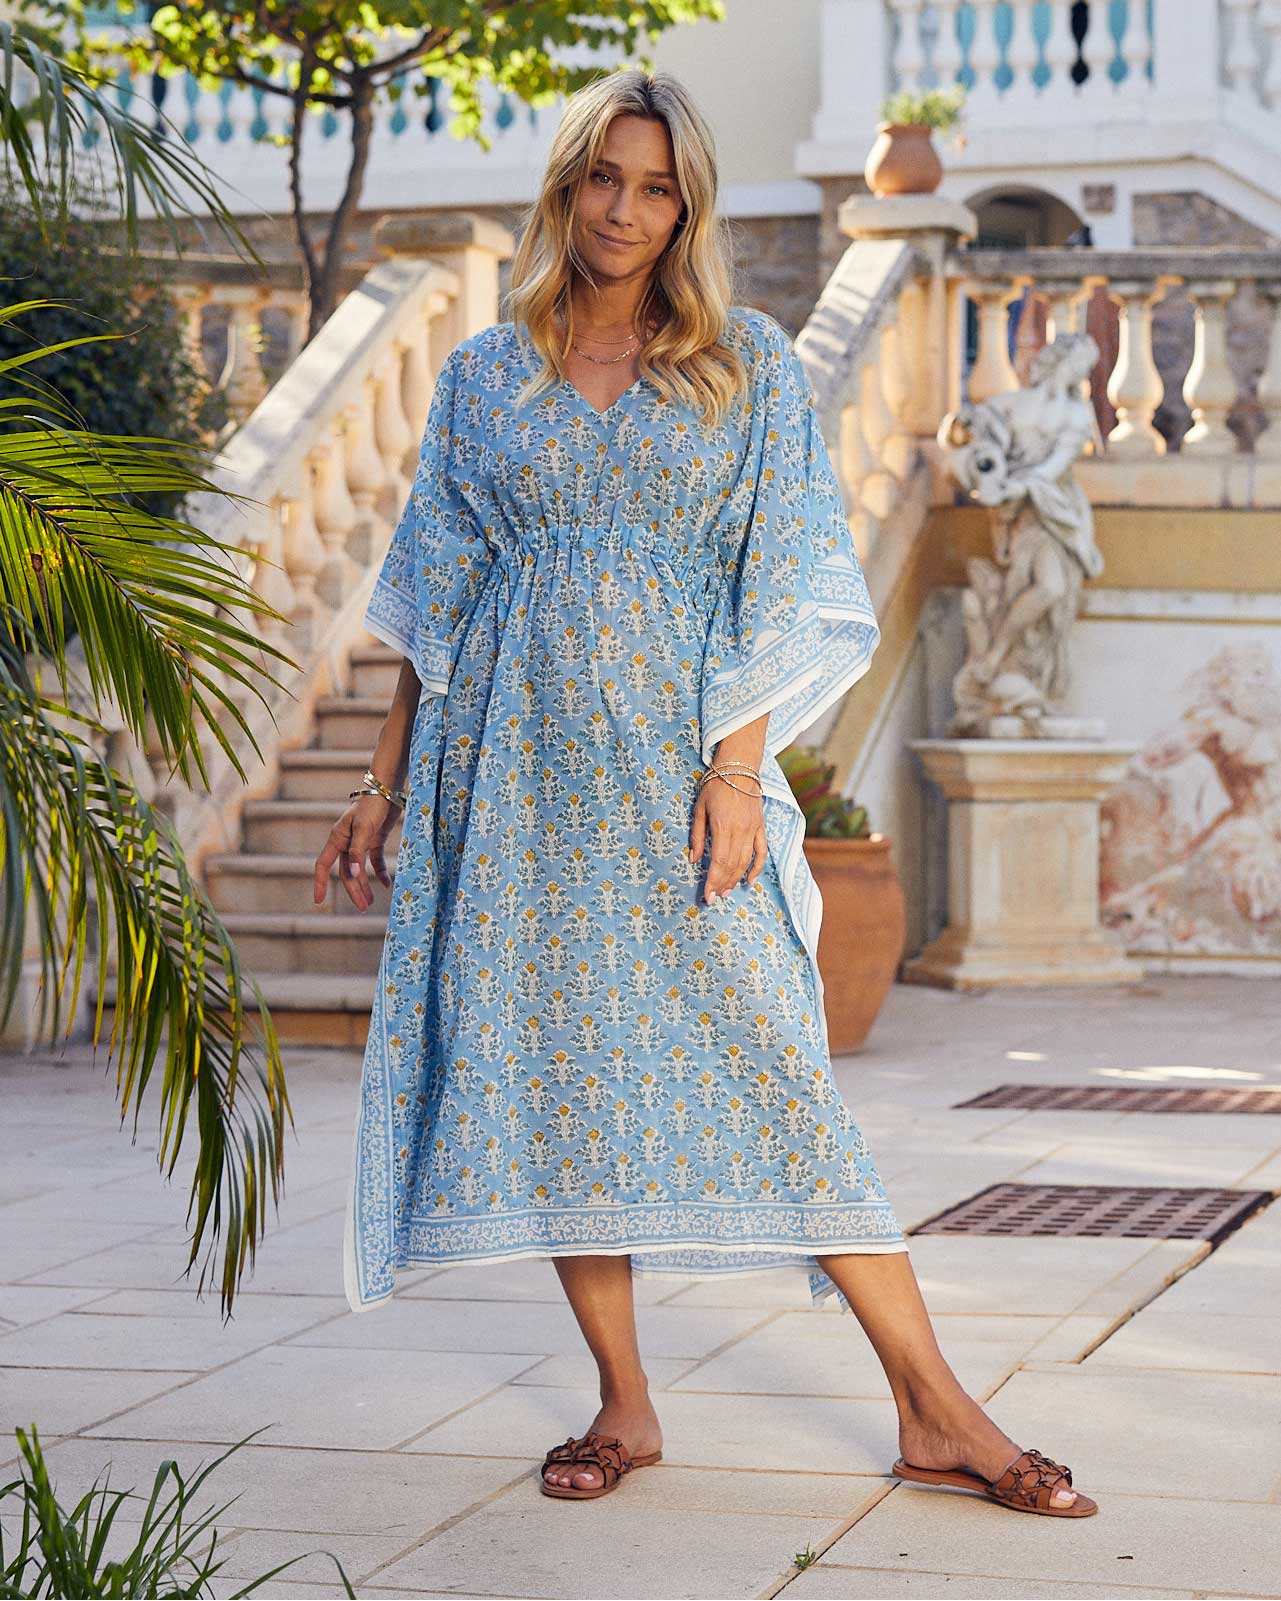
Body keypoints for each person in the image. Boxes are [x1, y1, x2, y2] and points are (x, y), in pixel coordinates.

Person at [314, 67, 1095, 1519]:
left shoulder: (739, 364)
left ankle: (936, 1406)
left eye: (657, 187)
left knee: (780, 1075)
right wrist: (380, 777)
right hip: (516, 783)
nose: (626, 209)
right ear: (568, 186)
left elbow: (779, 576)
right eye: (605, 177)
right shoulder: (487, 376)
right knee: (557, 1078)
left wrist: (739, 770)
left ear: (688, 209)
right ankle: (624, 1399)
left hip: (679, 772)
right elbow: (435, 598)